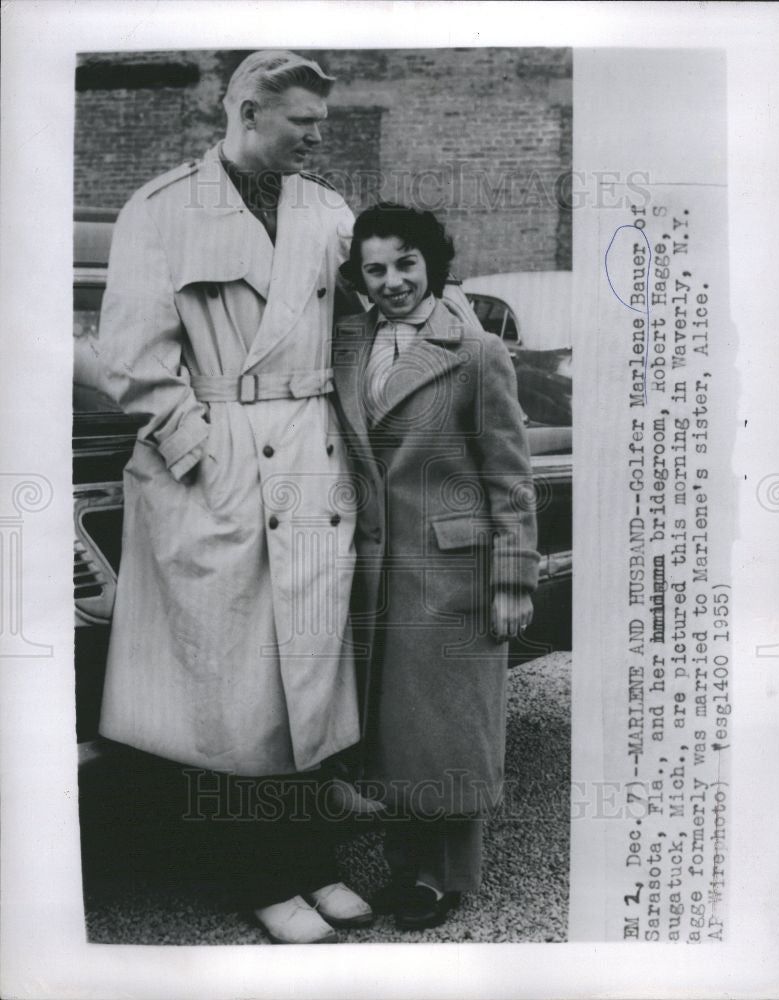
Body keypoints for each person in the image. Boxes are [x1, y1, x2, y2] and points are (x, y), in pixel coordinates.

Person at [97, 50, 372, 944]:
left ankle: (314, 863)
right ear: (249, 110)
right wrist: (204, 455)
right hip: (217, 469)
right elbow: (134, 358)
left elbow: (359, 337)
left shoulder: (328, 212)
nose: (318, 137)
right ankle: (256, 876)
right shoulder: (162, 207)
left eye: (321, 124)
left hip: (311, 462)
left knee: (311, 680)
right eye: (303, 121)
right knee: (232, 696)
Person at [332, 203, 540, 930]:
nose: (392, 281)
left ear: (433, 263)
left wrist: (513, 578)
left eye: (405, 263)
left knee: (451, 728)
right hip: (379, 570)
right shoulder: (353, 348)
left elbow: (510, 476)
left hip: (455, 570)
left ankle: (445, 876)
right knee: (396, 730)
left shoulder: (476, 351)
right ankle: (404, 868)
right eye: (375, 269)